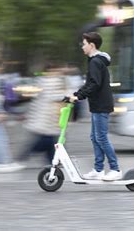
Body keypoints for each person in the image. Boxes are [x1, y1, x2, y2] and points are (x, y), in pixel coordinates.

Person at [68, 32, 122, 181]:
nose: (82, 47)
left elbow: (94, 84)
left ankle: (115, 169)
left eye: (84, 44)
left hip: (101, 105)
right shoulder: (95, 61)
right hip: (98, 104)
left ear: (92, 45)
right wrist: (77, 94)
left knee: (101, 137)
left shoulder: (96, 62)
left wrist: (79, 96)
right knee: (95, 137)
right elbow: (90, 83)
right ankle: (98, 170)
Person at [18, 65, 65, 165]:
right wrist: (67, 97)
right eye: (57, 70)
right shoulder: (50, 81)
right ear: (51, 71)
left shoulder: (43, 81)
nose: (59, 73)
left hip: (47, 117)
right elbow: (52, 96)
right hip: (46, 117)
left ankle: (52, 161)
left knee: (50, 140)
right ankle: (26, 155)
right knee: (47, 141)